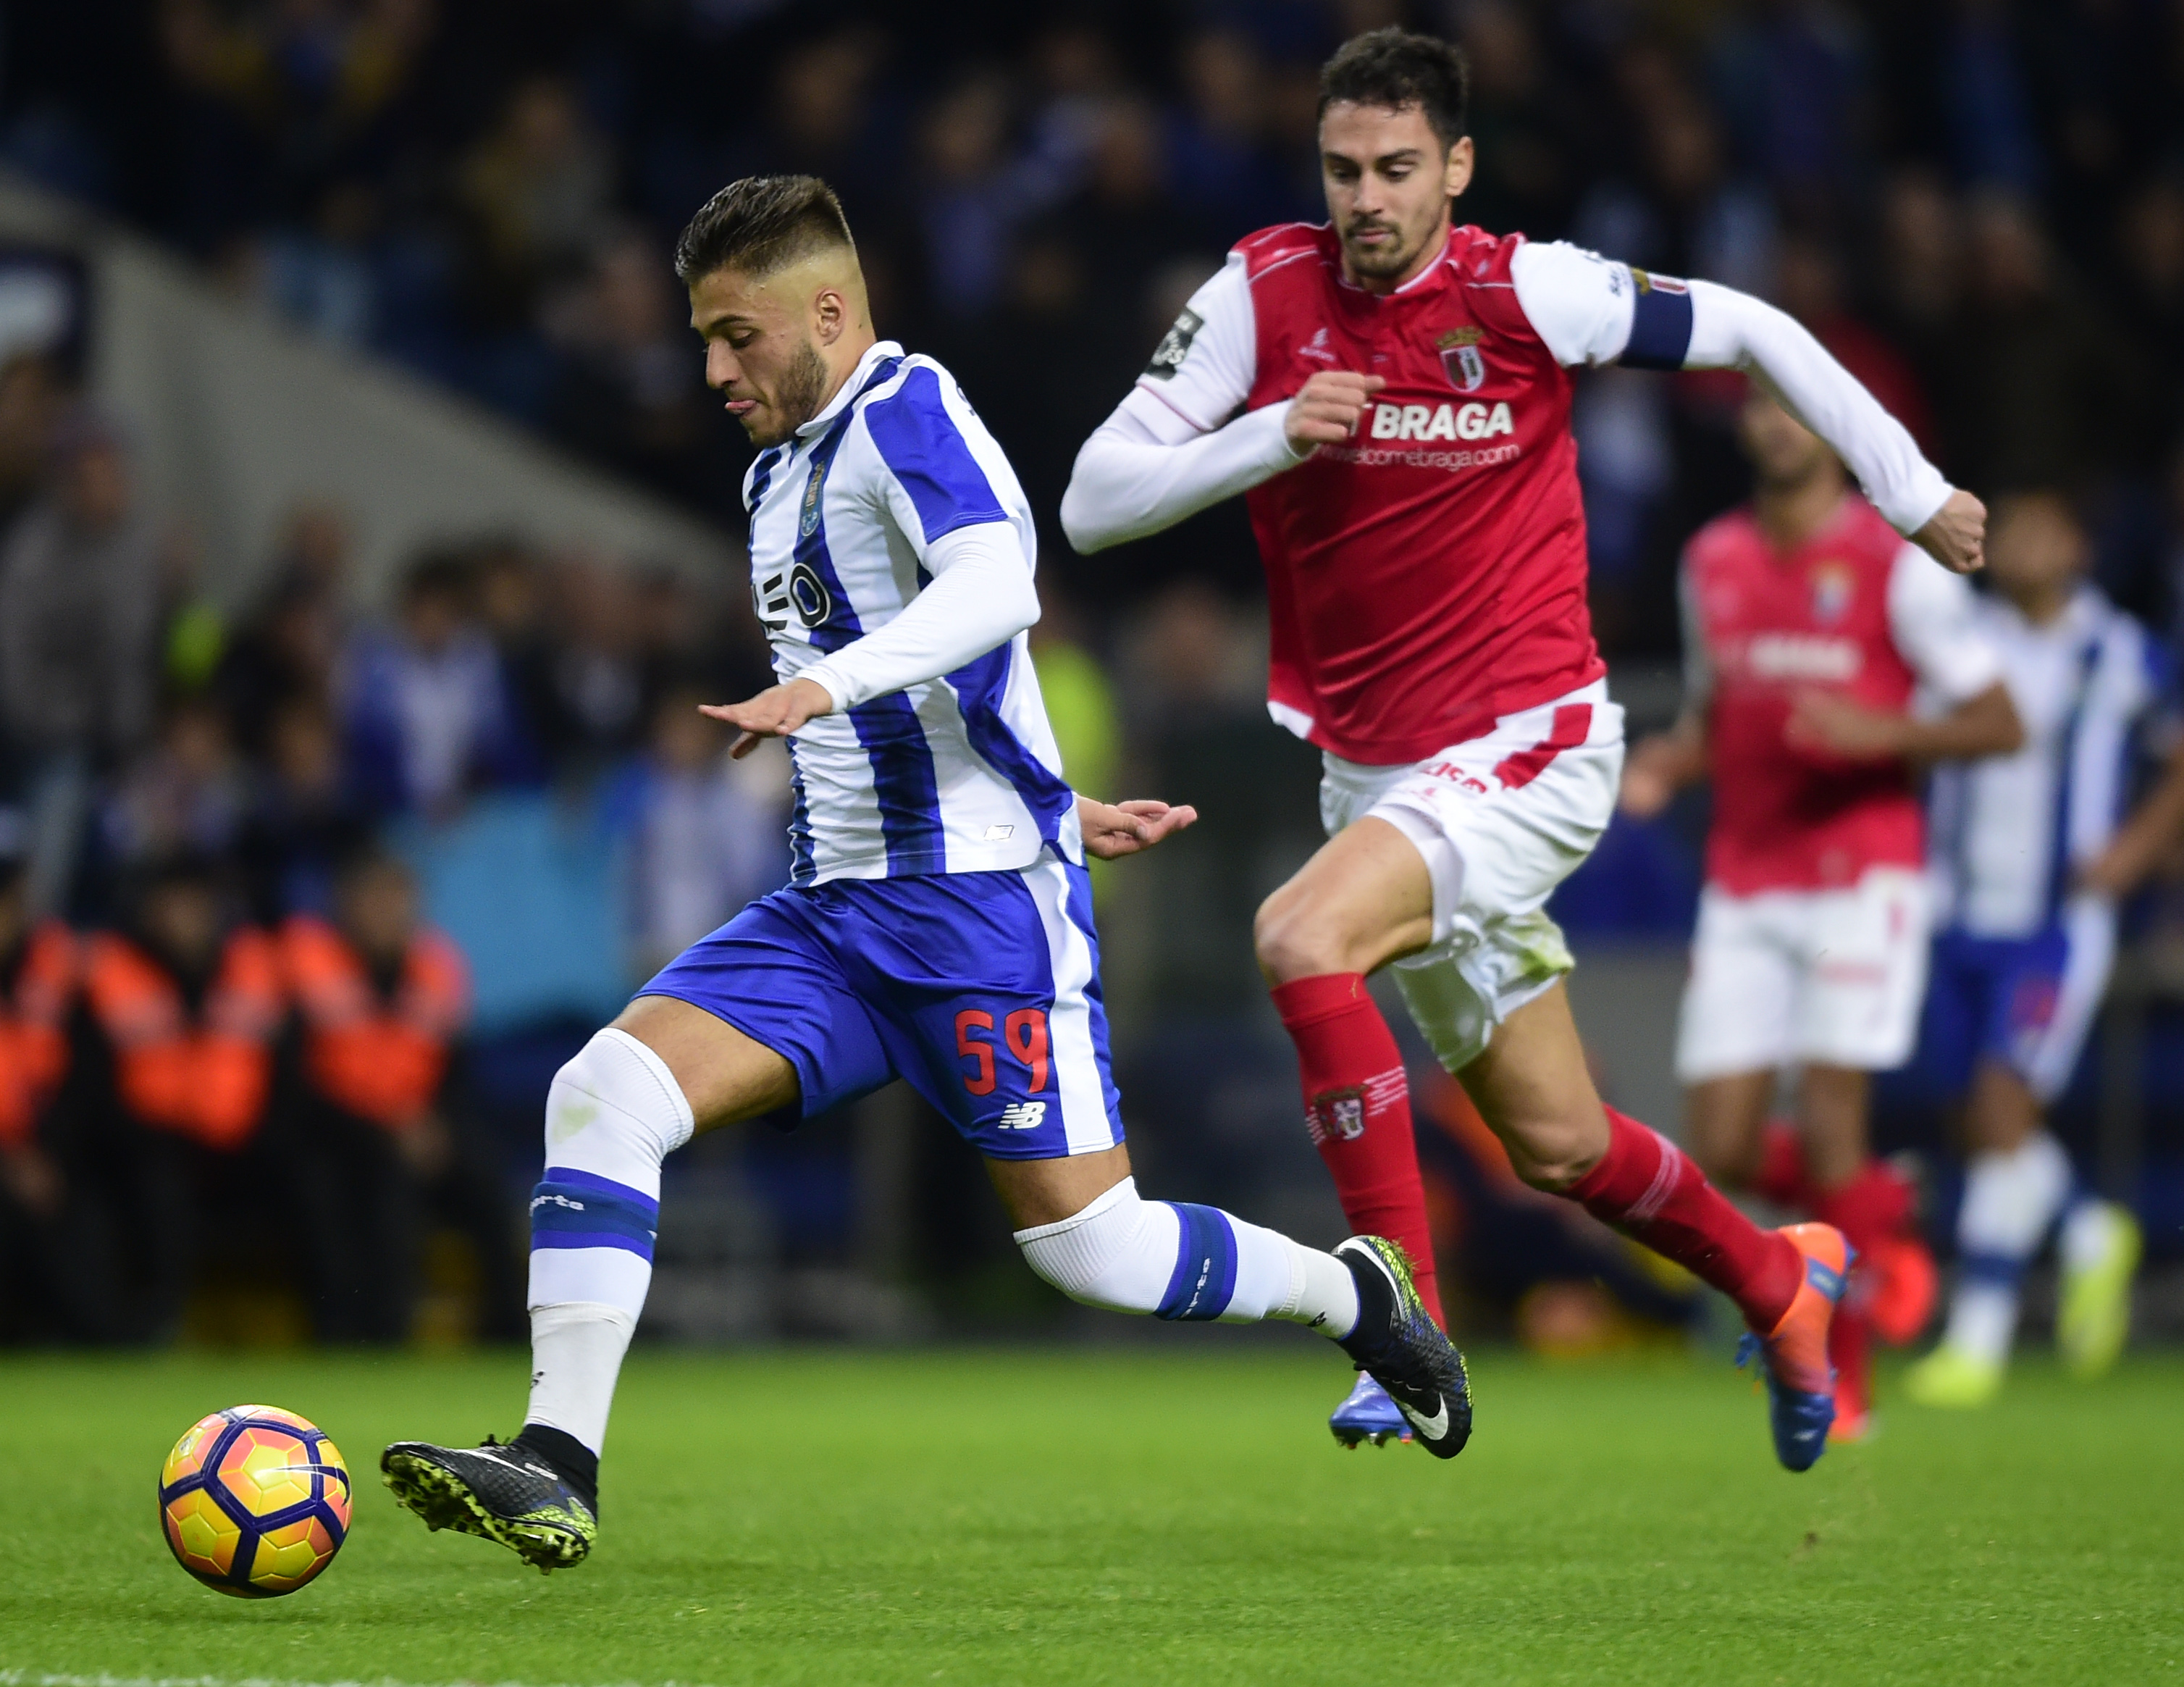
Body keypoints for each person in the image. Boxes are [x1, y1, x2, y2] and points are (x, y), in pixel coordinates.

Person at [379, 174, 1472, 1574]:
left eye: (735, 334)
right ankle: (556, 1461)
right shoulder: (777, 471)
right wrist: (1051, 790)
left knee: (1094, 1252)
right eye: (701, 337)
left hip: (978, 926)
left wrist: (828, 691)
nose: (711, 368)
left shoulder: (909, 409)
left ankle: (1354, 1296)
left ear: (828, 311)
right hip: (830, 918)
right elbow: (949, 689)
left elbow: (995, 589)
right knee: (601, 1092)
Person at [1062, 28, 1988, 1465]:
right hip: (1375, 776)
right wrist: (1265, 440)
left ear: (1455, 168)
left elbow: (1747, 326)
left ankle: (1400, 1323)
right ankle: (1778, 1280)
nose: (1364, 198)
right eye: (1340, 169)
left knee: (1300, 938)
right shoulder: (1264, 291)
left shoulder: (1524, 288)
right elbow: (1093, 501)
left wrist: (1909, 490)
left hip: (1528, 737)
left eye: (1394, 169)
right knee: (1556, 1143)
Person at [1618, 390, 2022, 1440]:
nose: (1778, 423)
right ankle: (1882, 1217)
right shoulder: (1711, 556)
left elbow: (1999, 718)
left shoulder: (1898, 562)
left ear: (1838, 431)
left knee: (1833, 1120)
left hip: (1863, 877)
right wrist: (1672, 759)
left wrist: (1880, 730)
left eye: (1800, 406)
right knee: (1725, 1147)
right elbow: (1717, 709)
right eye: (1762, 404)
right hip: (1748, 878)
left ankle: (1848, 1384)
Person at [1902, 491, 2175, 1408]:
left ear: (2079, 546)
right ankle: (2089, 1230)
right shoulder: (1960, 637)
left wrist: (2134, 853)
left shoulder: (2116, 646)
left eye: (2041, 530)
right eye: (2007, 528)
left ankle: (1977, 1335)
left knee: (2000, 1102)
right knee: (1970, 1117)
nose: (2021, 545)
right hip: (1953, 911)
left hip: (2056, 923)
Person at [282, 849, 521, 1343]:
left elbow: (455, 1069)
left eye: (398, 898)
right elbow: (297, 1082)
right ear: (344, 904)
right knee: (367, 1185)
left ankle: (509, 1333)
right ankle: (374, 1334)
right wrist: (388, 1128)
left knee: (487, 1175)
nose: (387, 912)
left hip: (422, 1126)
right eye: (374, 899)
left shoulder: (436, 966)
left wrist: (435, 1126)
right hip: (338, 1131)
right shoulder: (307, 963)